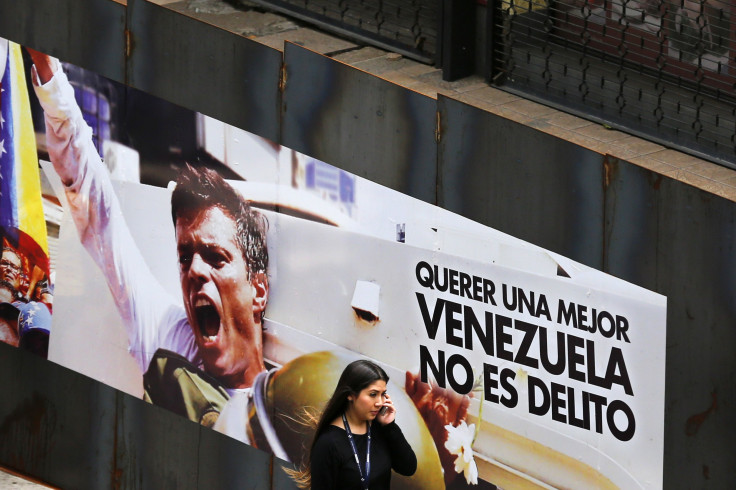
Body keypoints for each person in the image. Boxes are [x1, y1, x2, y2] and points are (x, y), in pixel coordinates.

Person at [27, 49, 270, 426]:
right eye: (185, 256)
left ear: (259, 290)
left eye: (216, 257)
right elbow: (98, 212)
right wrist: (47, 71)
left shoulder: (292, 405)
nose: (196, 271)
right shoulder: (169, 339)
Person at [308, 359, 417, 489]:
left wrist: (390, 426)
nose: (380, 402)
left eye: (383, 394)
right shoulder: (329, 443)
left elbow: (408, 468)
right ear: (350, 395)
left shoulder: (380, 429)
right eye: (373, 394)